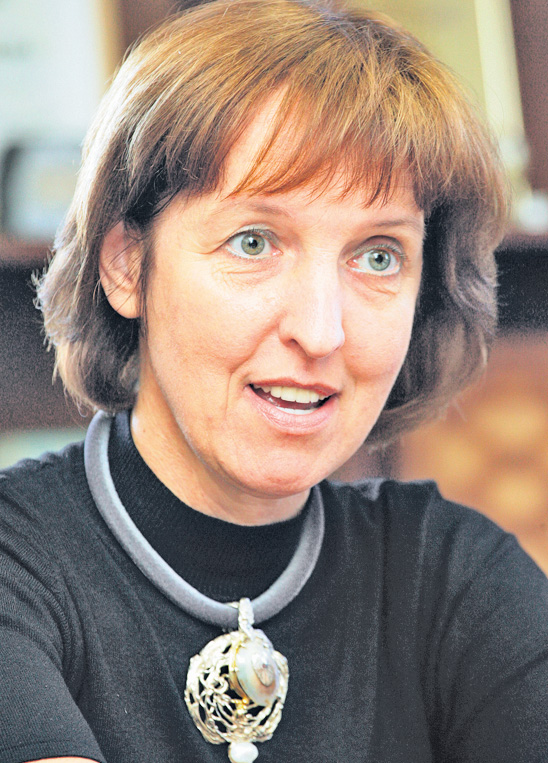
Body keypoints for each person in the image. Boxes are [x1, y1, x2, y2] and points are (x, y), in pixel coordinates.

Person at [1, 0, 547, 761]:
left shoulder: (459, 576)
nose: (321, 331)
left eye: (379, 256)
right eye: (254, 242)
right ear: (127, 264)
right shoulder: (18, 561)